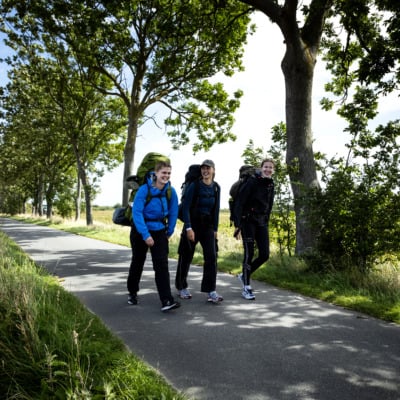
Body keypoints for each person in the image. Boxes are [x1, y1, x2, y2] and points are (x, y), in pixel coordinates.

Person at [127, 160, 180, 312]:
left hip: (159, 230)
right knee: (138, 262)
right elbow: (137, 213)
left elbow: (173, 212)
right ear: (155, 174)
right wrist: (145, 235)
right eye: (163, 173)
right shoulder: (144, 190)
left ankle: (166, 300)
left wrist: (169, 231)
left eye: (169, 173)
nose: (166, 176)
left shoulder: (171, 191)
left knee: (162, 265)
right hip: (140, 230)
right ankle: (132, 292)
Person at [175, 159, 223, 303]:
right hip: (193, 224)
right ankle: (181, 286)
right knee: (186, 256)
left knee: (212, 257)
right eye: (203, 168)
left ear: (213, 170)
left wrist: (215, 229)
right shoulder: (195, 186)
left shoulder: (216, 187)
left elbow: (216, 210)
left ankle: (211, 290)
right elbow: (186, 207)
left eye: (208, 168)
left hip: (207, 226)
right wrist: (188, 227)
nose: (205, 171)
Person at [233, 158, 275, 300]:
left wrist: (266, 220)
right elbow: (240, 202)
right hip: (248, 221)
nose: (268, 169)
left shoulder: (270, 184)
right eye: (266, 167)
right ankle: (246, 287)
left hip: (262, 222)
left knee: (264, 254)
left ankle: (244, 275)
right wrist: (238, 224)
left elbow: (269, 205)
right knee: (249, 253)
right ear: (261, 168)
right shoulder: (252, 182)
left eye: (270, 167)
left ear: (272, 170)